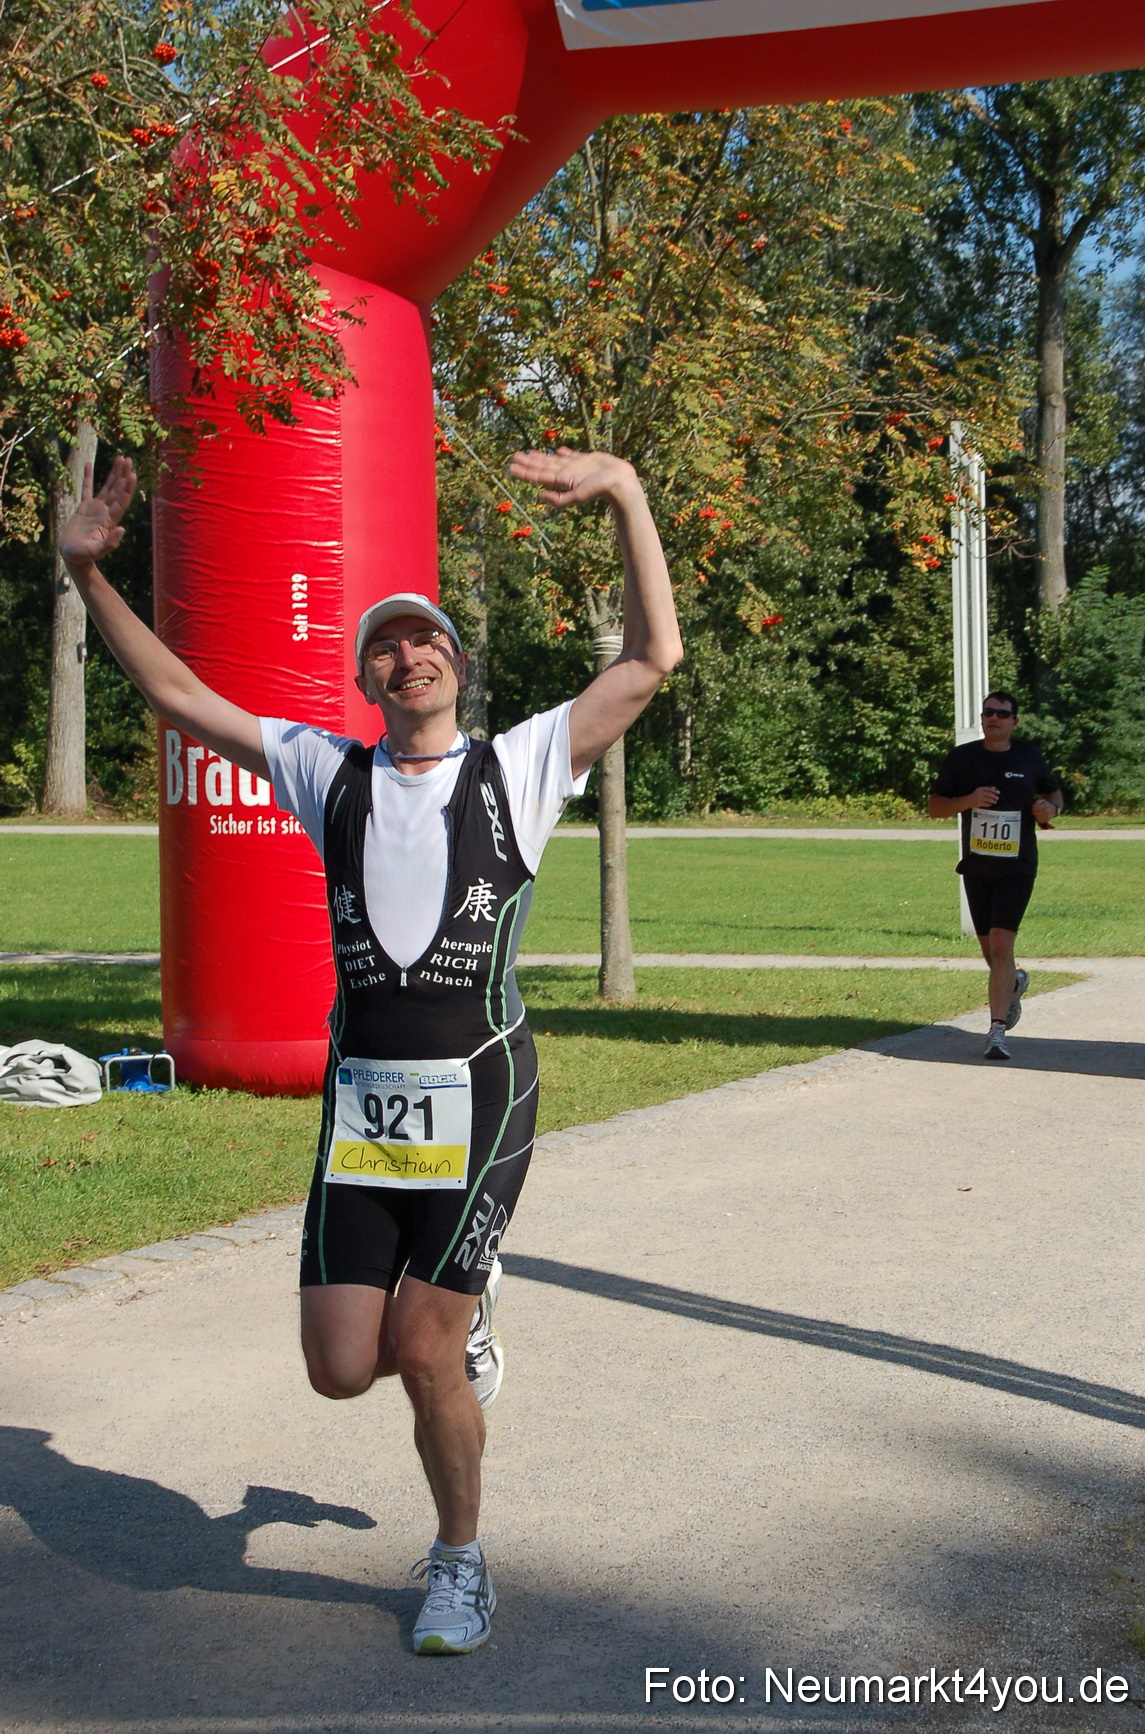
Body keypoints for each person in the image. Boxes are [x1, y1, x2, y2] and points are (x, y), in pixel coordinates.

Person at [59, 446, 682, 1654]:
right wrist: (91, 577)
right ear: (365, 677)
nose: (410, 656)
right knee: (343, 1367)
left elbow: (651, 660)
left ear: (456, 662)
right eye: (386, 646)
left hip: (483, 1094)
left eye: (427, 639)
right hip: (367, 1107)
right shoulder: (323, 771)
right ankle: (472, 1297)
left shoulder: (519, 765)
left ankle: (458, 1562)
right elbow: (182, 699)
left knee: (421, 1349)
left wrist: (625, 493)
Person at [927, 692, 1062, 1060]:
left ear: (1014, 722)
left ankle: (997, 1032)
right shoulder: (963, 758)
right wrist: (968, 800)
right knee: (992, 952)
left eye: (1002, 714)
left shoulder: (1028, 756)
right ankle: (1014, 983)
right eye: (988, 712)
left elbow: (1054, 794)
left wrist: (1050, 809)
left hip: (1017, 866)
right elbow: (935, 807)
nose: (993, 718)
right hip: (977, 866)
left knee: (1003, 944)